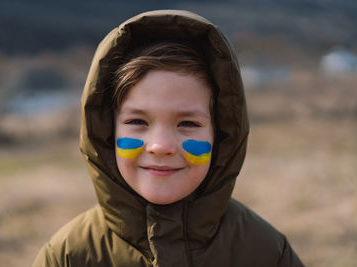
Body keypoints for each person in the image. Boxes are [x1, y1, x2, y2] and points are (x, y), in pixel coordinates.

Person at [33, 10, 304, 267]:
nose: (160, 146)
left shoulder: (266, 252)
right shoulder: (67, 256)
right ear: (106, 133)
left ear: (220, 136)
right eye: (137, 121)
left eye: (187, 123)